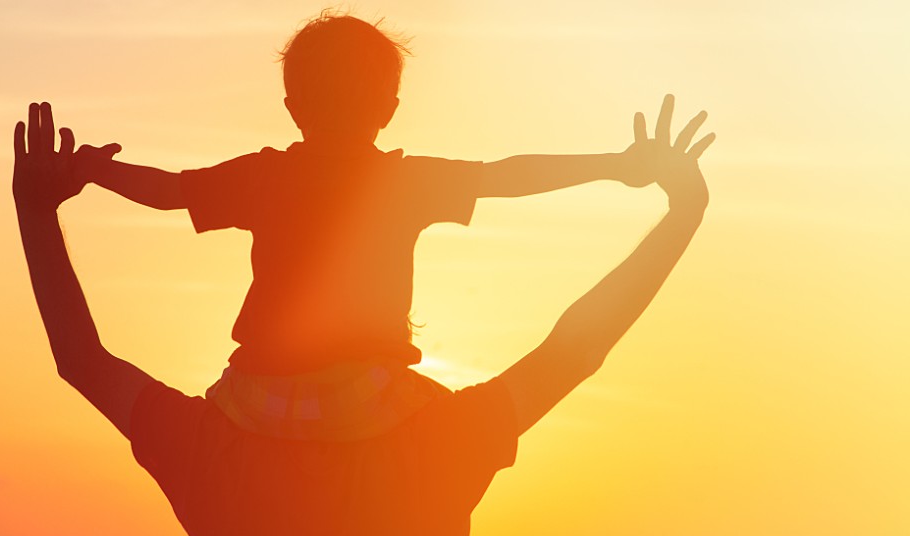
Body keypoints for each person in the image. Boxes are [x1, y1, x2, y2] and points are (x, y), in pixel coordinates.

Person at [10, 92, 713, 536]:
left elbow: (82, 358)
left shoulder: (206, 449)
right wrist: (679, 215)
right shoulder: (440, 441)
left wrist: (38, 210)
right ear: (392, 101)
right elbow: (573, 349)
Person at [69, 13, 664, 442]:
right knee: (455, 441)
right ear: (389, 107)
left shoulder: (264, 177)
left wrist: (98, 171)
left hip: (256, 398)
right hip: (370, 400)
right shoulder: (404, 183)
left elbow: (169, 191)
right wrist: (616, 167)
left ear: (292, 105)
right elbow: (508, 176)